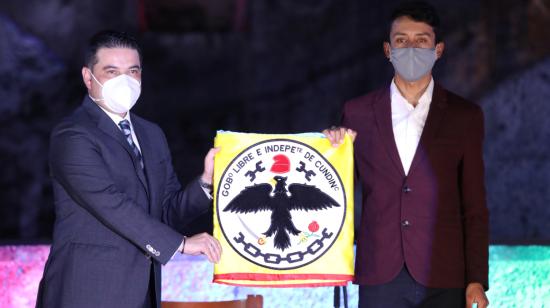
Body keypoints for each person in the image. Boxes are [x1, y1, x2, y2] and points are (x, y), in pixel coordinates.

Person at [36, 30, 222, 308]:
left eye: (132, 71)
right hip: (87, 292)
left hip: (143, 293)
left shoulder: (151, 134)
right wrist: (182, 244)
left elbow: (167, 211)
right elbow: (112, 205)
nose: (125, 81)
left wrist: (206, 181)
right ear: (88, 77)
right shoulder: (73, 135)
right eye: (112, 72)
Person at [324, 2, 489, 307]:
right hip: (380, 273)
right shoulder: (357, 113)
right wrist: (330, 152)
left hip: (445, 275)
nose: (411, 48)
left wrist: (476, 279)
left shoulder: (464, 116)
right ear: (388, 49)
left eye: (421, 40)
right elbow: (338, 193)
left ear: (438, 49)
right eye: (401, 40)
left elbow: (475, 206)